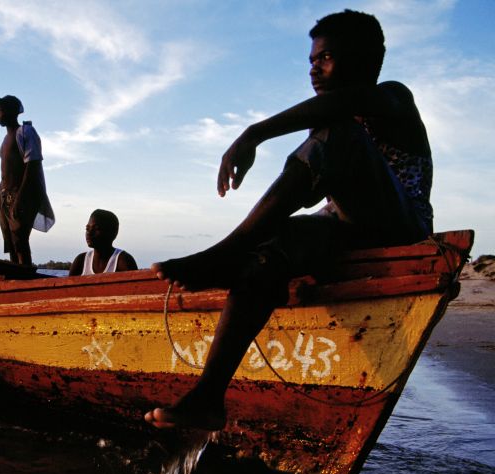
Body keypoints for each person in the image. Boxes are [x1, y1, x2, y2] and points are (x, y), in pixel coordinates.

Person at [145, 10, 433, 430]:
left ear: (365, 61)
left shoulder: (392, 97)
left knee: (336, 134)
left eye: (326, 57)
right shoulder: (335, 121)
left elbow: (342, 106)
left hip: (401, 228)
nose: (314, 68)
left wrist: (253, 132)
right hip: (345, 227)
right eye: (311, 60)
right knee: (267, 252)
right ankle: (207, 397)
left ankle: (224, 252)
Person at [0, 94, 55, 266]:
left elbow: (32, 167)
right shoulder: (4, 141)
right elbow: (3, 179)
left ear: (12, 112)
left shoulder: (25, 132)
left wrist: (20, 199)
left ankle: (25, 279)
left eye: (0, 111)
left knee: (20, 240)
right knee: (11, 243)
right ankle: (15, 280)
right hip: (5, 197)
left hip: (23, 194)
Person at [68, 209, 138, 276]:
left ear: (112, 232)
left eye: (96, 229)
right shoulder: (81, 261)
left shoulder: (122, 260)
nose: (89, 233)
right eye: (87, 228)